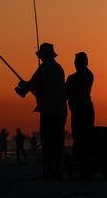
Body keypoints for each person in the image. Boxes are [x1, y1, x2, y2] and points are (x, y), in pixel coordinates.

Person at [15, 43, 67, 179]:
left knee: (47, 142)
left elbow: (32, 84)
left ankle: (48, 172)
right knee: (57, 142)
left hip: (48, 111)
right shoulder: (59, 68)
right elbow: (42, 85)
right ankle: (57, 171)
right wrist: (26, 87)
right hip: (61, 111)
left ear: (44, 55)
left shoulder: (44, 68)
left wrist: (23, 88)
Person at [66, 52, 94, 159]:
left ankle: (81, 161)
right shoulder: (89, 74)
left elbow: (65, 93)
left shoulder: (74, 78)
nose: (75, 63)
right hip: (85, 110)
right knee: (84, 137)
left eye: (77, 61)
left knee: (79, 137)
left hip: (80, 111)